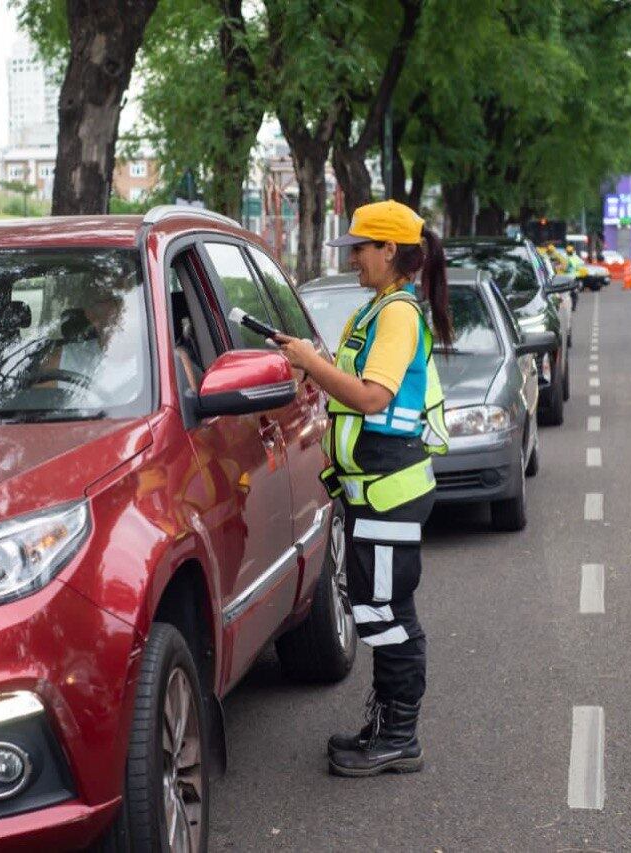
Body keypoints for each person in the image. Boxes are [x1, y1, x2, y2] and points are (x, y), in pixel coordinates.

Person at [276, 199, 451, 778]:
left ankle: (399, 738)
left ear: (389, 250)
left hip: (388, 492)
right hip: (376, 491)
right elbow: (354, 386)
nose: (353, 259)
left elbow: (373, 397)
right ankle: (387, 729)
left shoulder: (397, 313)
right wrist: (309, 365)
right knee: (380, 609)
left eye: (360, 248)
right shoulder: (378, 308)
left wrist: (311, 363)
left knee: (388, 612)